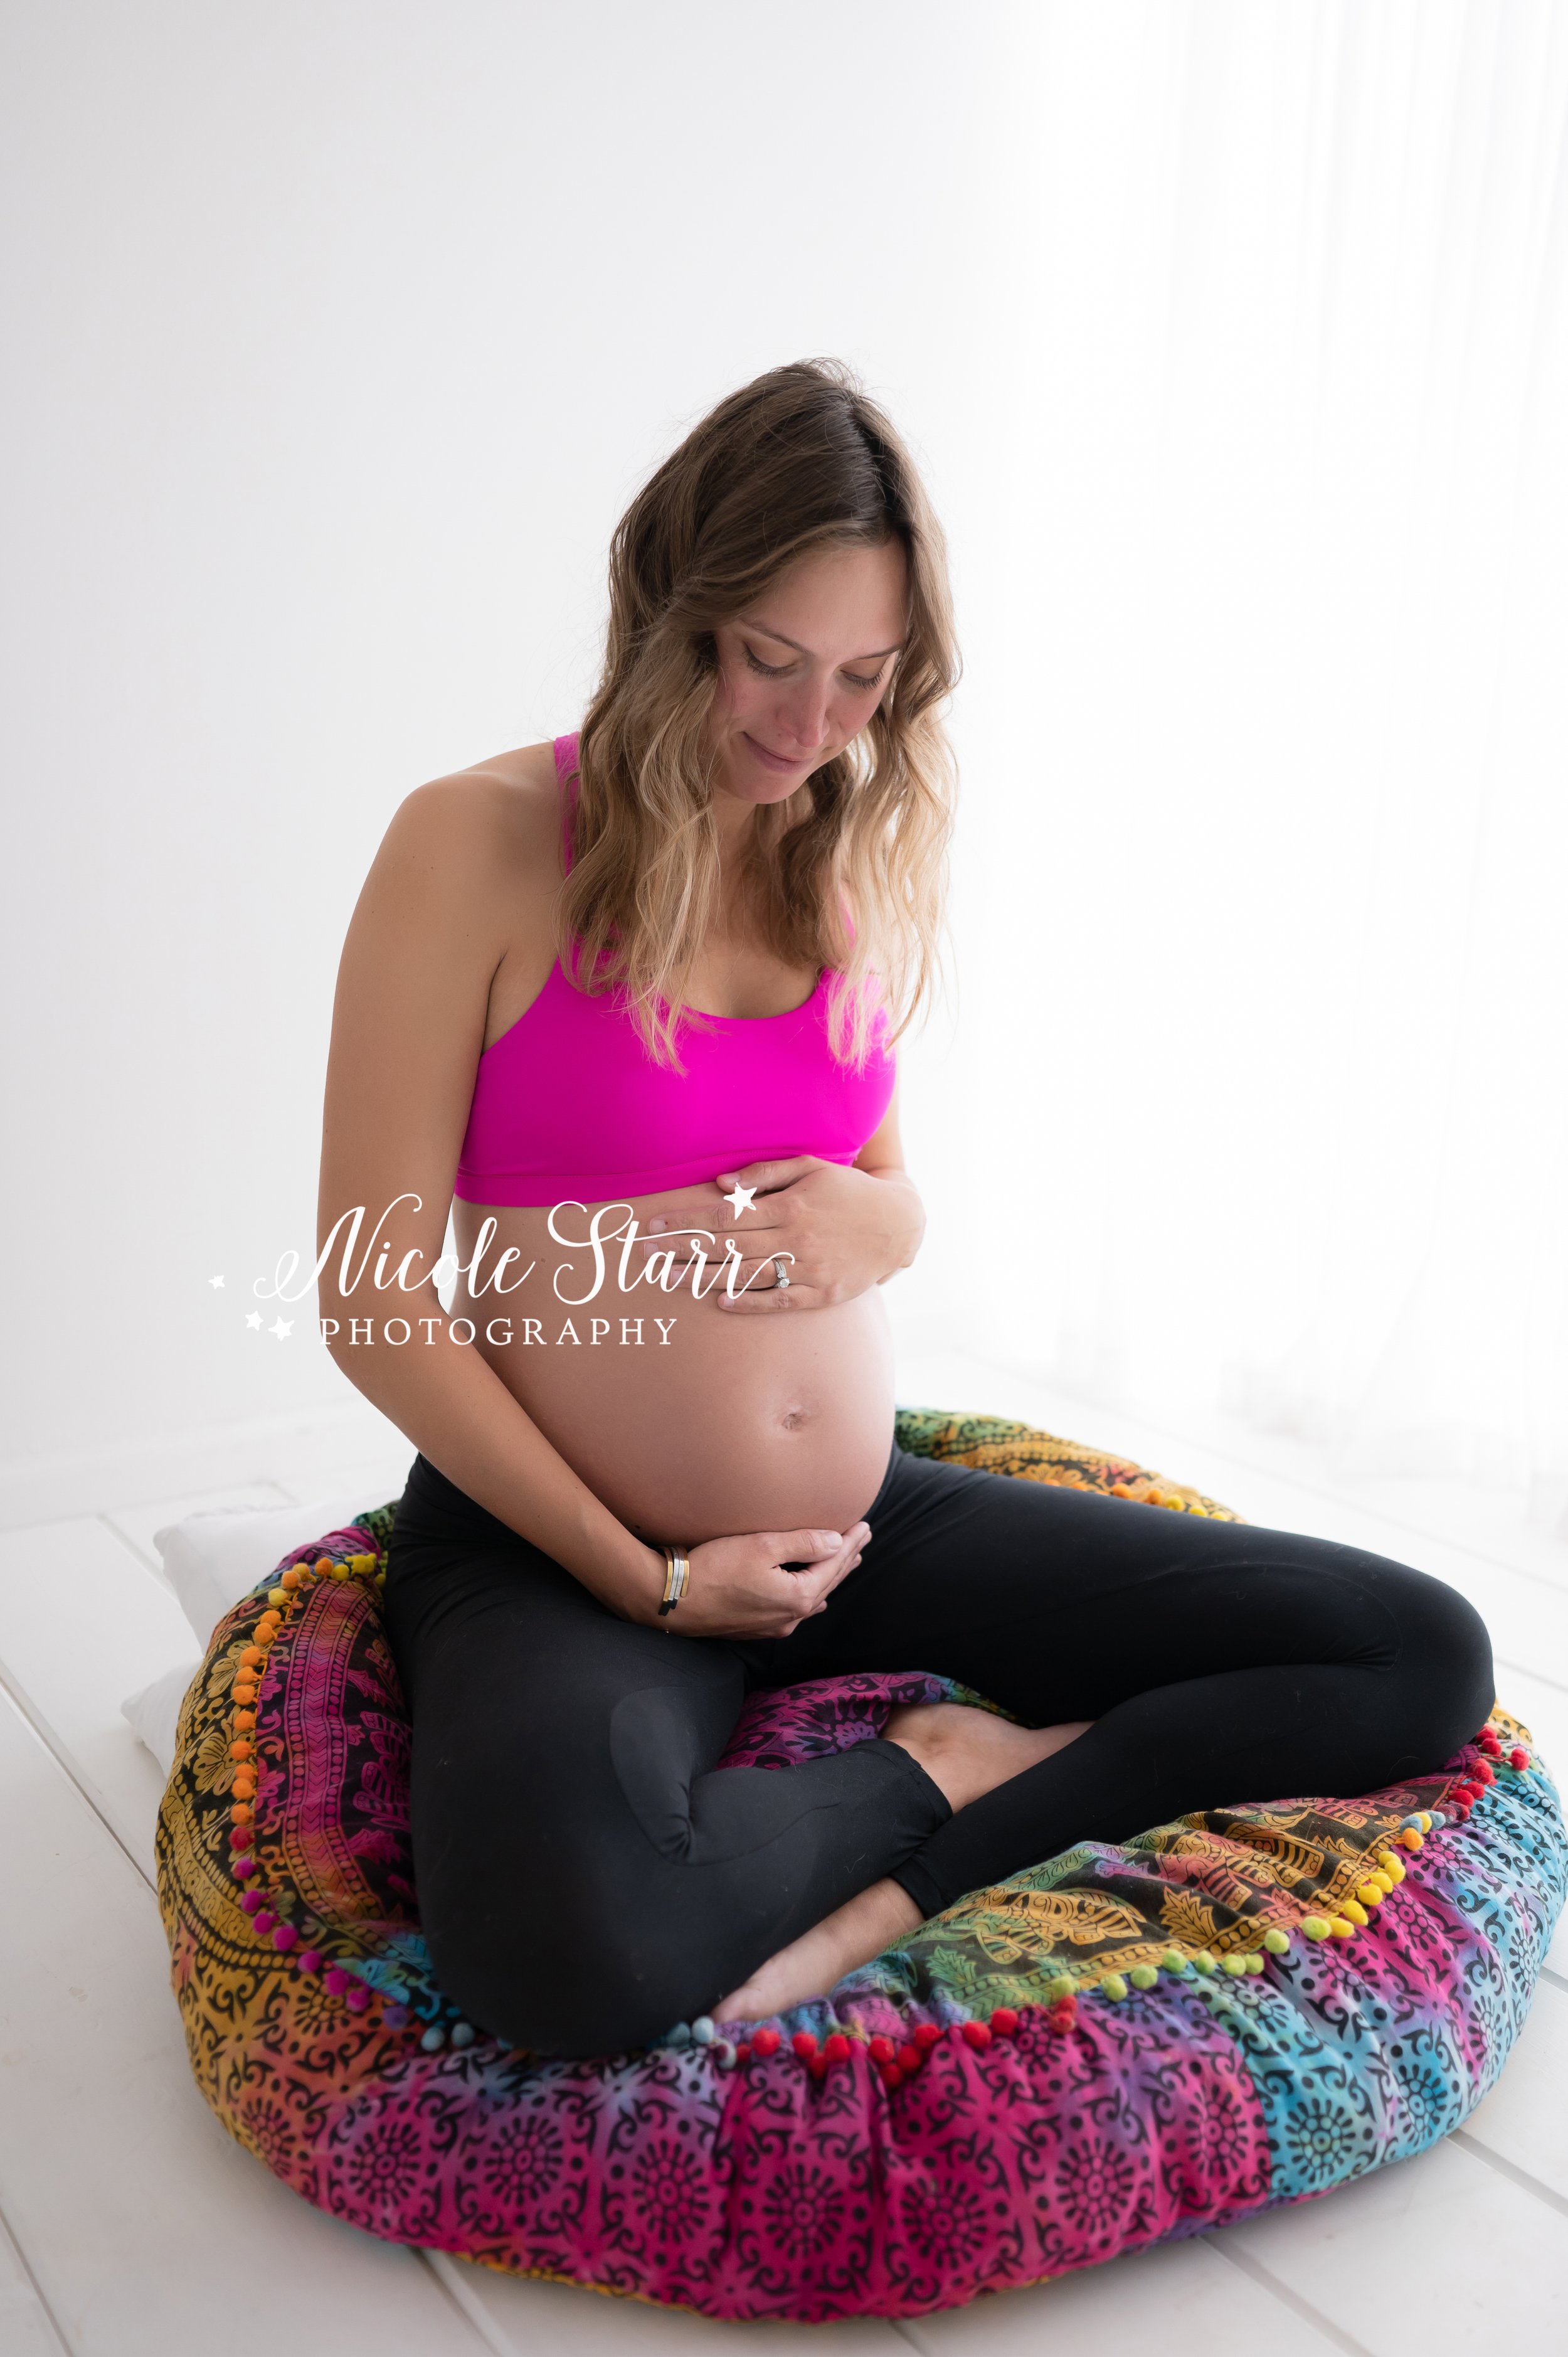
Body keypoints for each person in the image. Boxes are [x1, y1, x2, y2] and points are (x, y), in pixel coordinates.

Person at [317, 359, 1493, 2059]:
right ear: (669, 616)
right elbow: (371, 1292)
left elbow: (864, 1167)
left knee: (1413, 1650)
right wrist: (650, 1580)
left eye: (862, 680)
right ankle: (924, 1770)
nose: (808, 731)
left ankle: (913, 1873)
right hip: (565, 1553)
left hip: (855, 1531)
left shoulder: (841, 846)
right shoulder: (476, 841)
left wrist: (902, 1222)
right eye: (768, 663)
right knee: (558, 1963)